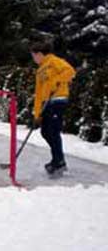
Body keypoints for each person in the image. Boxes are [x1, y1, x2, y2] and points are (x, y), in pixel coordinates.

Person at [30, 41, 76, 177]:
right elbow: (38, 94)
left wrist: (56, 81)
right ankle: (57, 158)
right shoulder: (39, 71)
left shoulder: (54, 61)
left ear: (39, 54)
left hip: (58, 100)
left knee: (53, 131)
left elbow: (70, 71)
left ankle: (58, 161)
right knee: (45, 132)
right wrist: (37, 114)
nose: (33, 59)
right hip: (46, 102)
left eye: (33, 55)